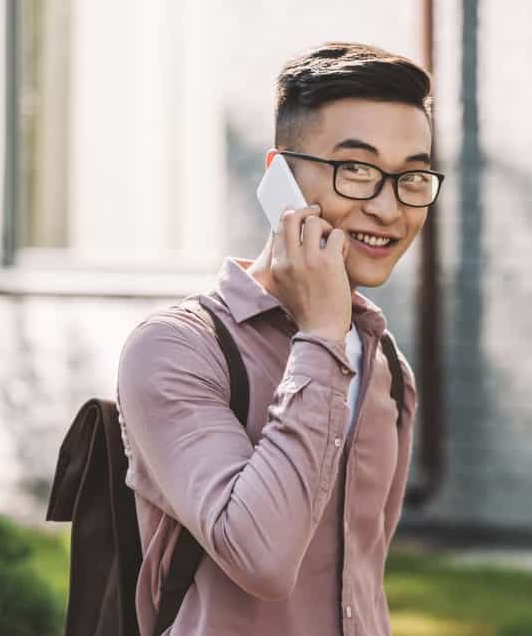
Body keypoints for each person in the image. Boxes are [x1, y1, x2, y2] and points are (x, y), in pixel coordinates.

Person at [115, 42, 441, 635]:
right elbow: (261, 559)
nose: (390, 209)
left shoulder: (383, 360)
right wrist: (320, 336)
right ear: (280, 179)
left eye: (412, 177)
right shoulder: (176, 350)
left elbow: (364, 580)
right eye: (358, 171)